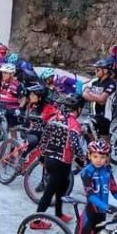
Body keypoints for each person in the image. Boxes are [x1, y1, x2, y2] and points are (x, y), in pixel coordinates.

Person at [35, 94, 87, 223]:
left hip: (51, 160)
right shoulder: (73, 123)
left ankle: (59, 213)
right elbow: (75, 145)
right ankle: (36, 221)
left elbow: (44, 139)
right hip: (61, 162)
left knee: (63, 186)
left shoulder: (54, 118)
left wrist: (41, 157)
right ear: (78, 109)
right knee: (49, 192)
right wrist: (84, 159)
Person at [82, 57, 117, 140]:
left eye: (98, 70)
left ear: (105, 71)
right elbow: (84, 94)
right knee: (87, 133)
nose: (95, 71)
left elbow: (102, 100)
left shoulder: (111, 84)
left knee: (104, 142)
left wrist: (90, 94)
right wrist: (96, 97)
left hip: (104, 115)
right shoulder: (94, 81)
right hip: (93, 114)